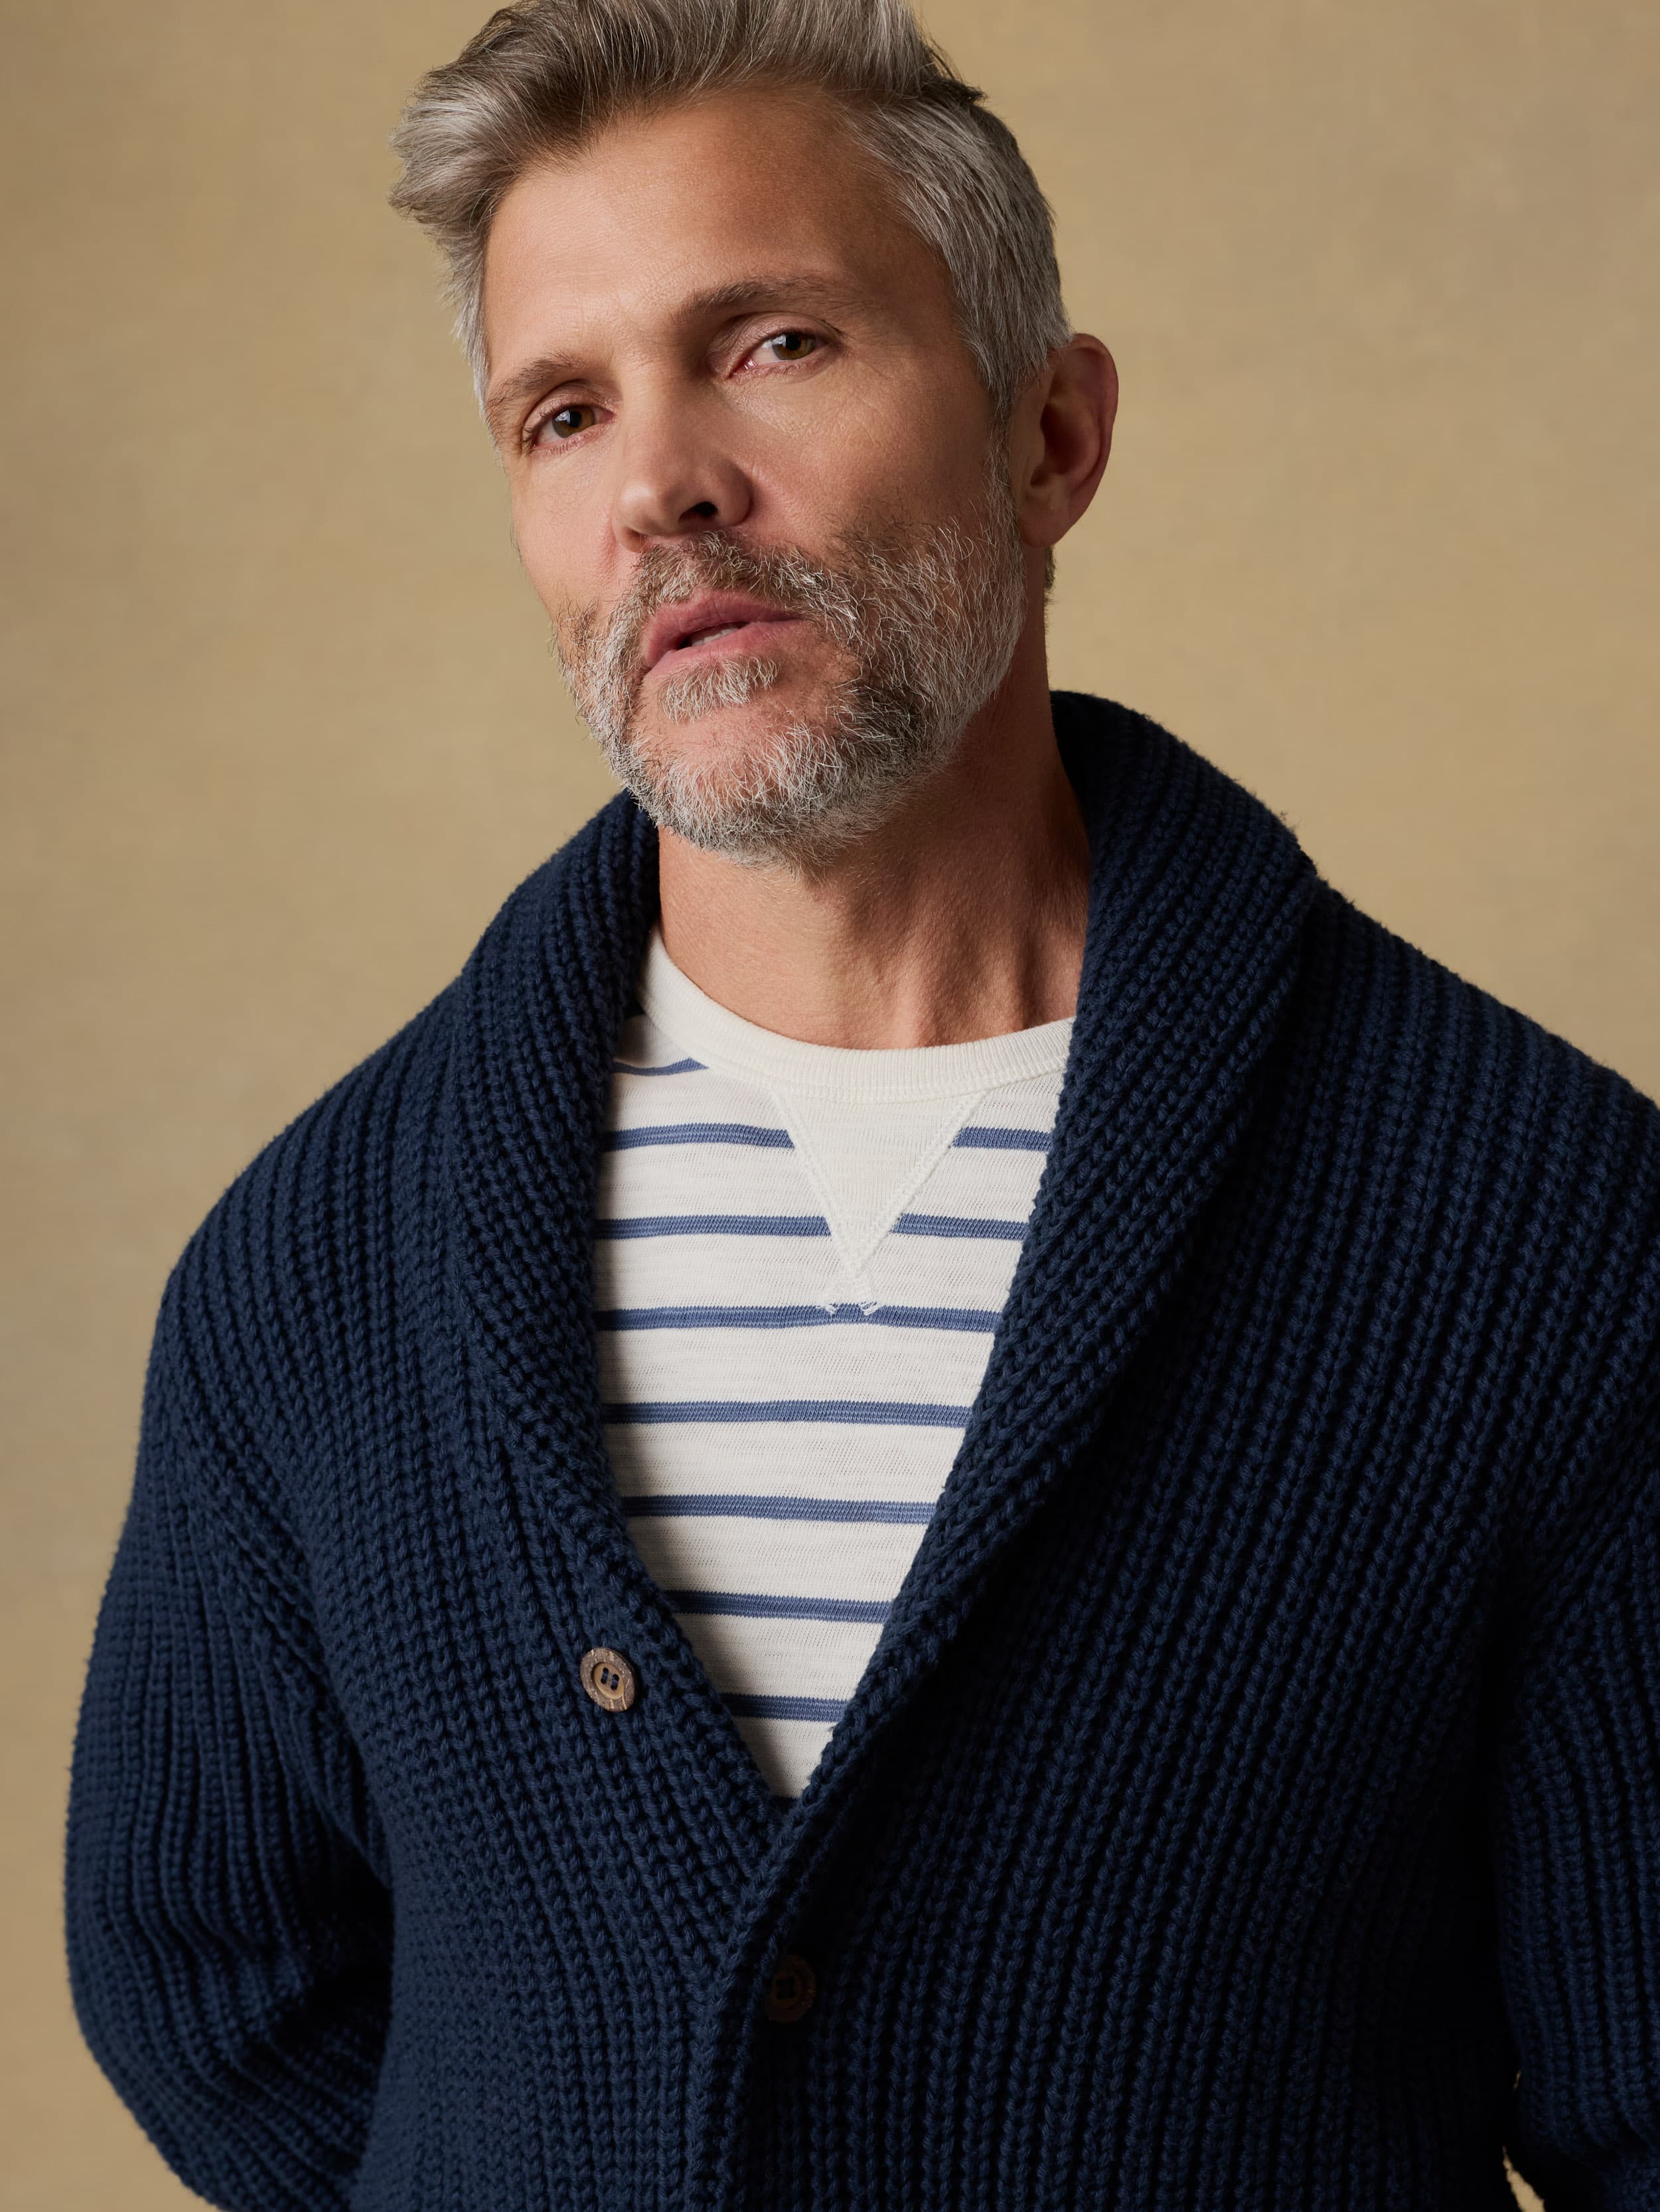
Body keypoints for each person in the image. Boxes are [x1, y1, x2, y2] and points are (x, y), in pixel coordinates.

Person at [62, 1, 1660, 2205]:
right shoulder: (308, 1281)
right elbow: (216, 1987)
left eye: (777, 345)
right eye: (562, 410)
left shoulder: (1546, 1238)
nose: (662, 488)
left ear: (1051, 436)